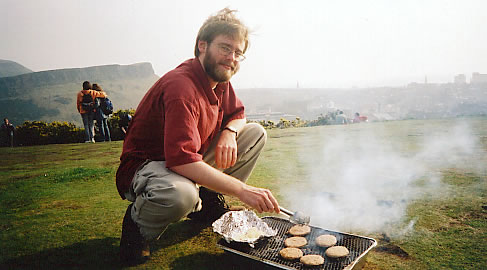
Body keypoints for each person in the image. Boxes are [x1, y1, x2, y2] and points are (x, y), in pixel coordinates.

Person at [116, 8, 280, 265]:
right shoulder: (182, 86)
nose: (232, 58)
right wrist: (243, 190)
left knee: (255, 134)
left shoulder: (220, 79)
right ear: (202, 46)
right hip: (147, 167)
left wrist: (228, 132)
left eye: (238, 53)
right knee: (180, 195)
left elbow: (239, 114)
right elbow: (180, 161)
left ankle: (208, 202)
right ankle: (136, 229)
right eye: (225, 48)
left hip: (181, 161)